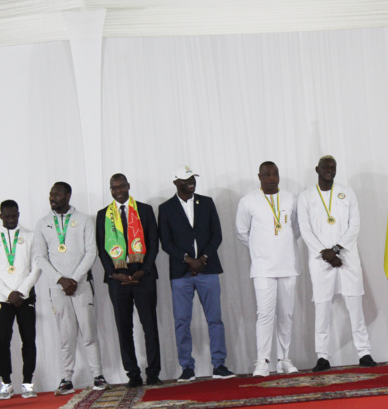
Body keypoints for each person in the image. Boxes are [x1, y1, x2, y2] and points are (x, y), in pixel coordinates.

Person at [298, 156, 377, 372]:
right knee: (322, 309)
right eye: (325, 167)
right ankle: (322, 356)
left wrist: (336, 250)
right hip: (320, 260)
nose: (329, 170)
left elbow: (355, 225)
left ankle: (364, 353)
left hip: (346, 257)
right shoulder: (306, 197)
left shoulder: (347, 193)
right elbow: (305, 230)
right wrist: (325, 253)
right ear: (317, 169)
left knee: (355, 307)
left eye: (332, 167)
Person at [158, 166, 234, 381]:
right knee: (182, 321)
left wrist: (203, 259)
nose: (191, 182)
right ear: (175, 182)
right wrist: (187, 259)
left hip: (207, 269)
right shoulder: (166, 208)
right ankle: (187, 367)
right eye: (185, 179)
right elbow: (166, 242)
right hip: (181, 273)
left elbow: (216, 235)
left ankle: (219, 365)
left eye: (192, 178)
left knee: (215, 320)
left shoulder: (207, 203)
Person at [33, 183, 107, 395]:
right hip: (58, 288)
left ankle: (98, 375)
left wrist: (74, 279)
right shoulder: (43, 224)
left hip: (81, 285)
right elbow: (40, 257)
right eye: (50, 194)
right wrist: (60, 280)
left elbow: (91, 252)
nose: (52, 197)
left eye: (56, 194)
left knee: (89, 331)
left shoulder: (83, 219)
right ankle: (66, 378)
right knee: (66, 334)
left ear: (67, 195)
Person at [236, 161, 300, 377]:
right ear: (259, 177)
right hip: (263, 268)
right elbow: (242, 232)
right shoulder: (248, 201)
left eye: (275, 174)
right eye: (267, 174)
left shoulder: (291, 198)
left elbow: (296, 229)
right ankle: (262, 361)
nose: (272, 178)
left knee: (286, 315)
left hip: (288, 265)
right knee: (264, 314)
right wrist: (259, 249)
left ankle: (284, 359)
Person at [96, 174, 161, 387]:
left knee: (149, 325)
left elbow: (153, 243)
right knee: (124, 328)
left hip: (144, 277)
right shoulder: (103, 215)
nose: (119, 190)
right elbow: (102, 250)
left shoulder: (144, 210)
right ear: (110, 190)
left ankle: (153, 373)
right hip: (118, 280)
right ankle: (132, 374)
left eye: (122, 186)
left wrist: (144, 270)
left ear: (128, 186)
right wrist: (113, 274)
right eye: (114, 187)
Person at [0, 200, 41, 400]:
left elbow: (37, 267)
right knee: (2, 341)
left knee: (29, 340)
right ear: (0, 216)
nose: (11, 220)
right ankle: (6, 383)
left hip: (25, 297)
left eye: (14, 216)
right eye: (7, 216)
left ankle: (27, 383)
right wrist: (8, 293)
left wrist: (21, 292)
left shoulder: (30, 237)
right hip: (2, 298)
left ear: (18, 213)